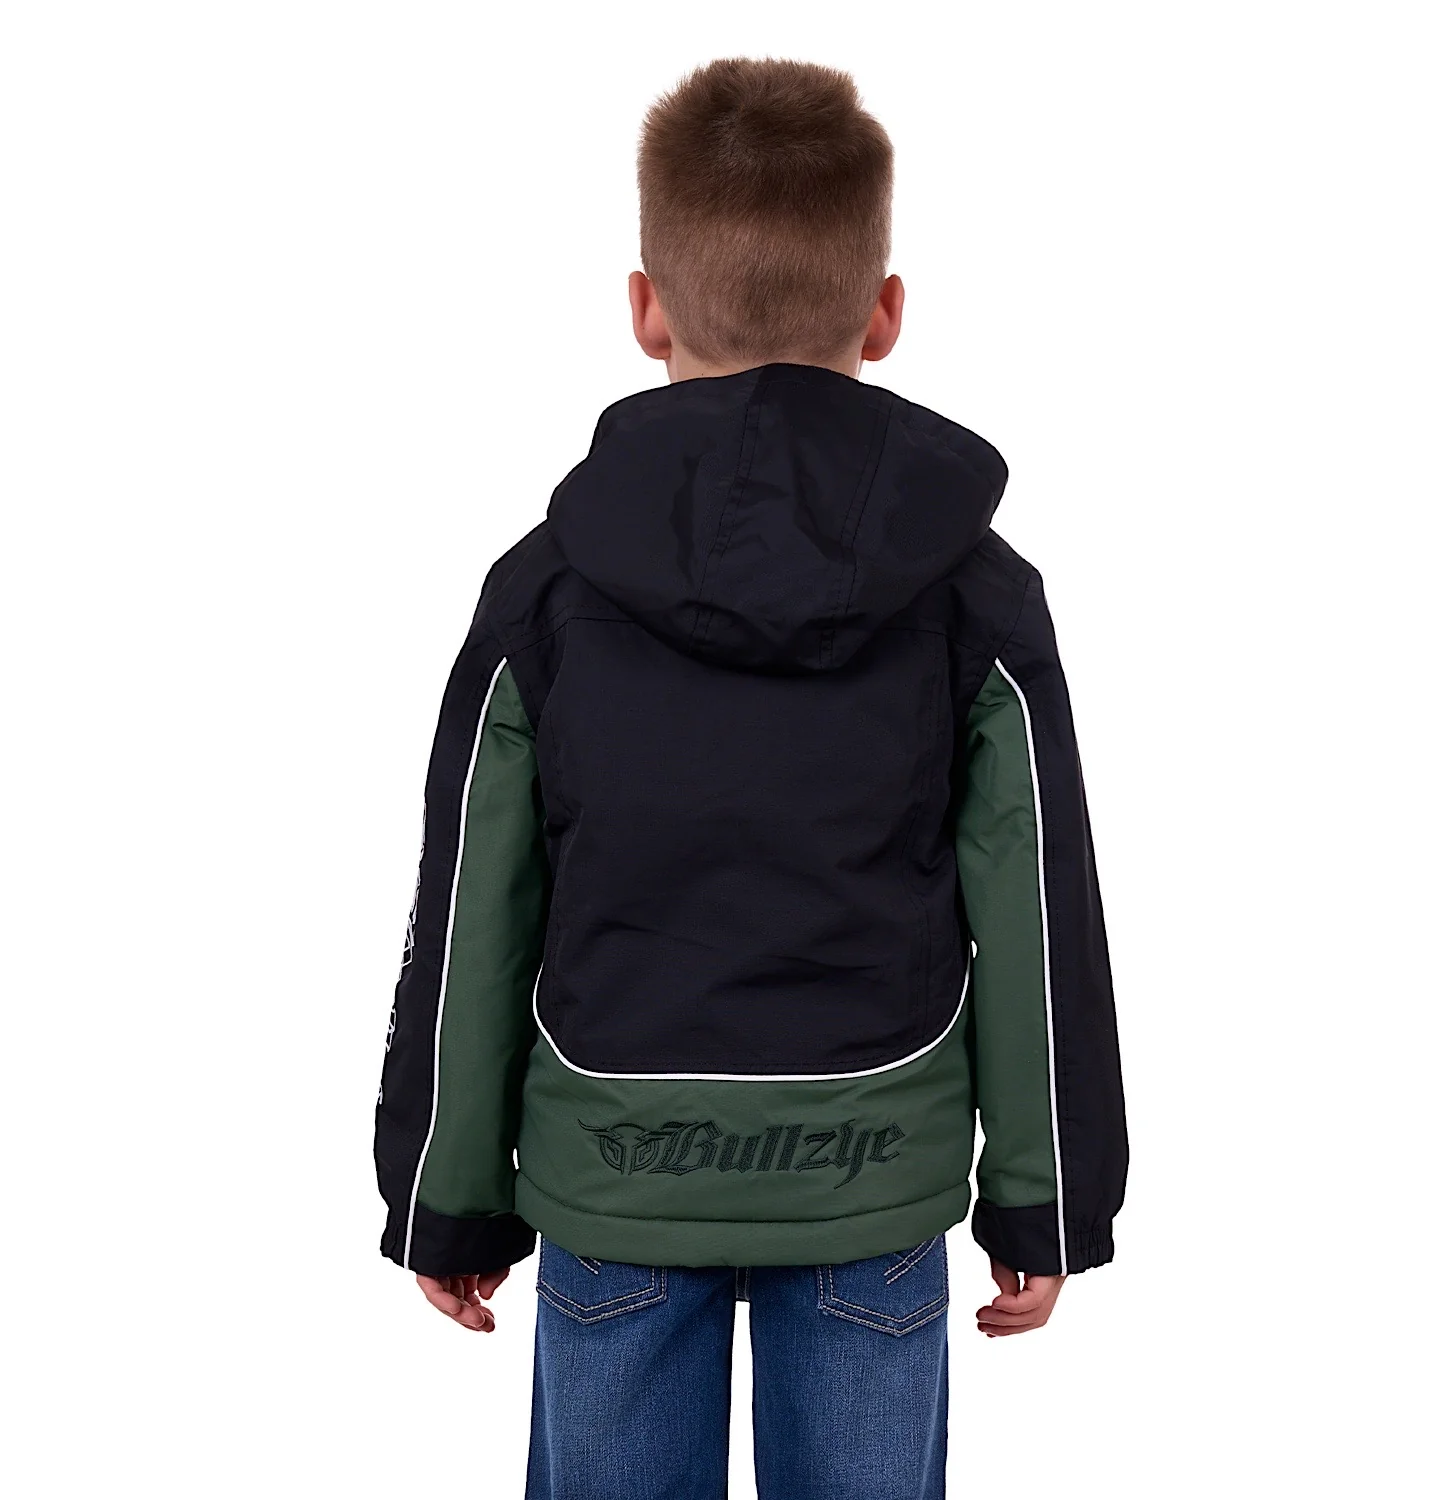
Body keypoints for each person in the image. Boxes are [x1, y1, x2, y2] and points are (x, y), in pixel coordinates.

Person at [375, 56, 1127, 1500]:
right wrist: (1049, 1195)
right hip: (870, 1188)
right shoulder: (976, 598)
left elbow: (475, 910)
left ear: (645, 308)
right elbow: (1037, 905)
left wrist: (445, 1191)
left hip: (616, 1180)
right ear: (884, 313)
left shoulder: (542, 594)